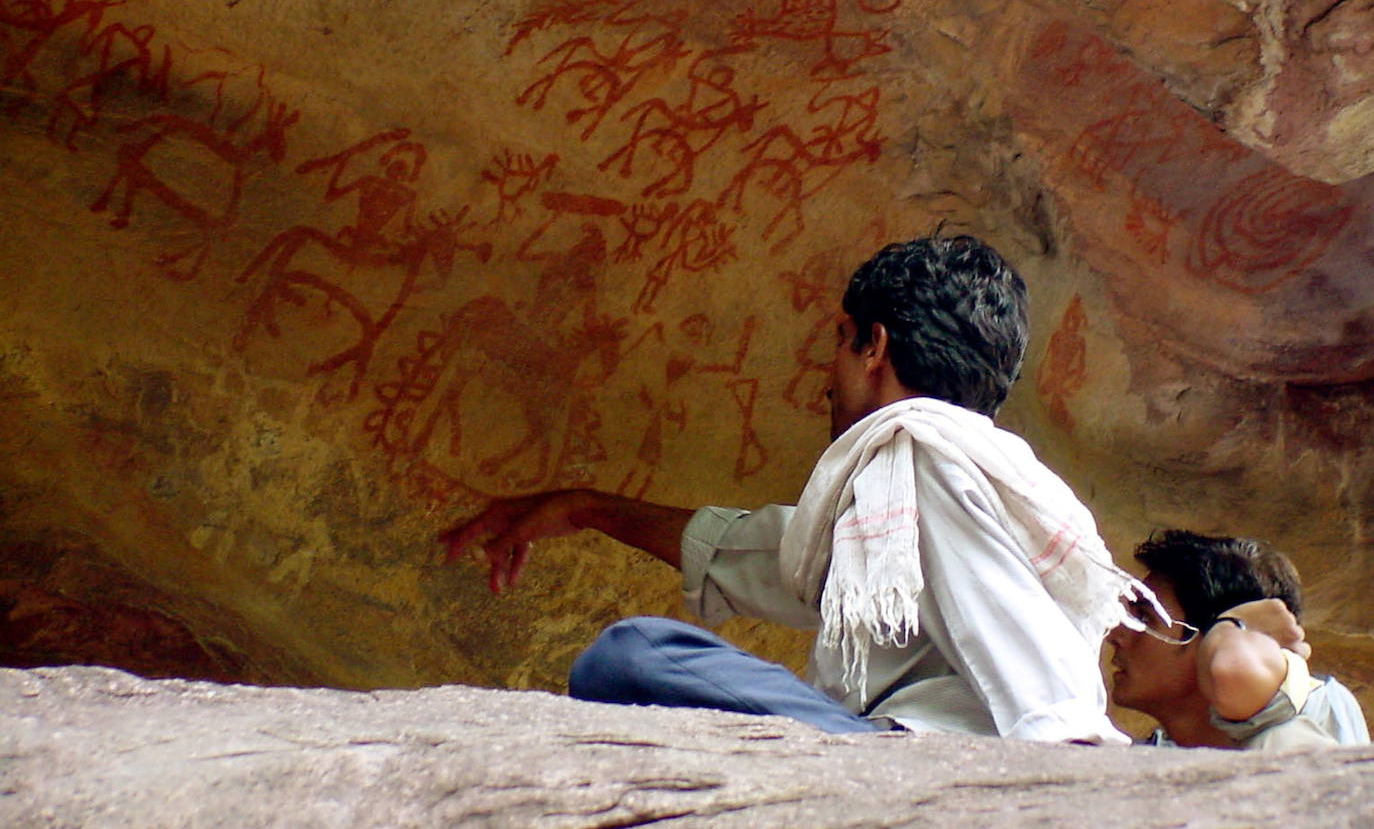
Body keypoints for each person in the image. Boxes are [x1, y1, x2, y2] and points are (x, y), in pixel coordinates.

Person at [441, 234, 1143, 741]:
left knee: (634, 653)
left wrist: (1069, 770)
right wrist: (585, 508)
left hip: (922, 762)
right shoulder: (938, 478)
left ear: (874, 346)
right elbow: (766, 555)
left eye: (839, 342)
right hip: (890, 748)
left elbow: (1024, 651)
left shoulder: (929, 456)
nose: (824, 376)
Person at [1108, 529, 1369, 749]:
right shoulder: (1155, 756)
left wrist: (1230, 627)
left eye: (1144, 617)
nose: (1116, 634)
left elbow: (1231, 669)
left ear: (1211, 642)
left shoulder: (1312, 711)